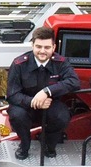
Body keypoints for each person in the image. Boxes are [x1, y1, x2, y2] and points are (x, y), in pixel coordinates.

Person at [6, 25, 79, 159]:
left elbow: (74, 82)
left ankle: (48, 143)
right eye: (38, 46)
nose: (42, 51)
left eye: (47, 47)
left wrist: (47, 91)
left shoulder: (61, 63)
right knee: (16, 115)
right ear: (32, 45)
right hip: (25, 106)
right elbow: (12, 94)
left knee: (62, 116)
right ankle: (24, 145)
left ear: (54, 47)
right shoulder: (19, 64)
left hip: (51, 105)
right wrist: (34, 102)